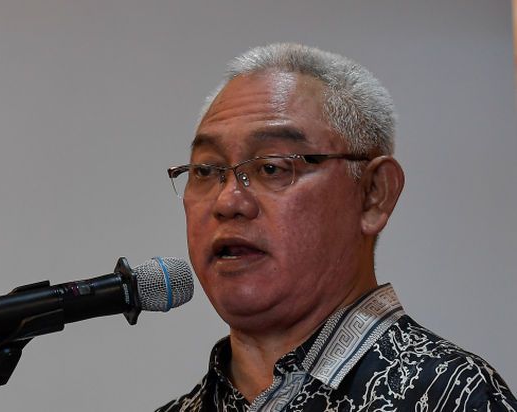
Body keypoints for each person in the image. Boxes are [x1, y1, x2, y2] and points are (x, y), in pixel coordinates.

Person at [157, 43, 517, 411]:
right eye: (206, 171)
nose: (228, 201)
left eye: (272, 167)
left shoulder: (453, 396)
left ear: (374, 195)